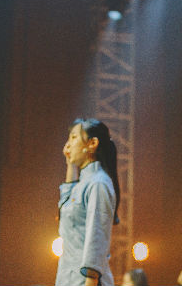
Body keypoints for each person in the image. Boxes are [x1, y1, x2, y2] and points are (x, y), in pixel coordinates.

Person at [55, 118, 119, 286]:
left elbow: (96, 238)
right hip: (68, 278)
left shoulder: (98, 183)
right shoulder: (83, 184)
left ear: (92, 144)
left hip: (86, 281)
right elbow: (65, 206)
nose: (68, 145)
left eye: (74, 137)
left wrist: (91, 278)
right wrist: (70, 165)